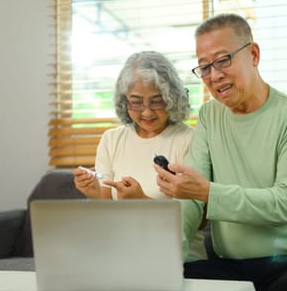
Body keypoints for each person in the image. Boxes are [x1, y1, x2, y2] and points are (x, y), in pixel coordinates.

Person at [154, 13, 287, 291]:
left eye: (223, 60)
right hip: (231, 265)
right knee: (166, 287)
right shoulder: (210, 116)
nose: (214, 75)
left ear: (253, 54)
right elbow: (191, 200)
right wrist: (171, 254)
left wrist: (209, 192)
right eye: (205, 66)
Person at [73, 50, 206, 260]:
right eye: (136, 102)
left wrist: (141, 201)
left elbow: (198, 220)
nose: (146, 112)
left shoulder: (191, 140)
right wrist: (94, 193)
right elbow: (107, 212)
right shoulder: (111, 140)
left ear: (172, 98)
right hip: (123, 255)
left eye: (156, 101)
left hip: (180, 260)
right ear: (124, 101)